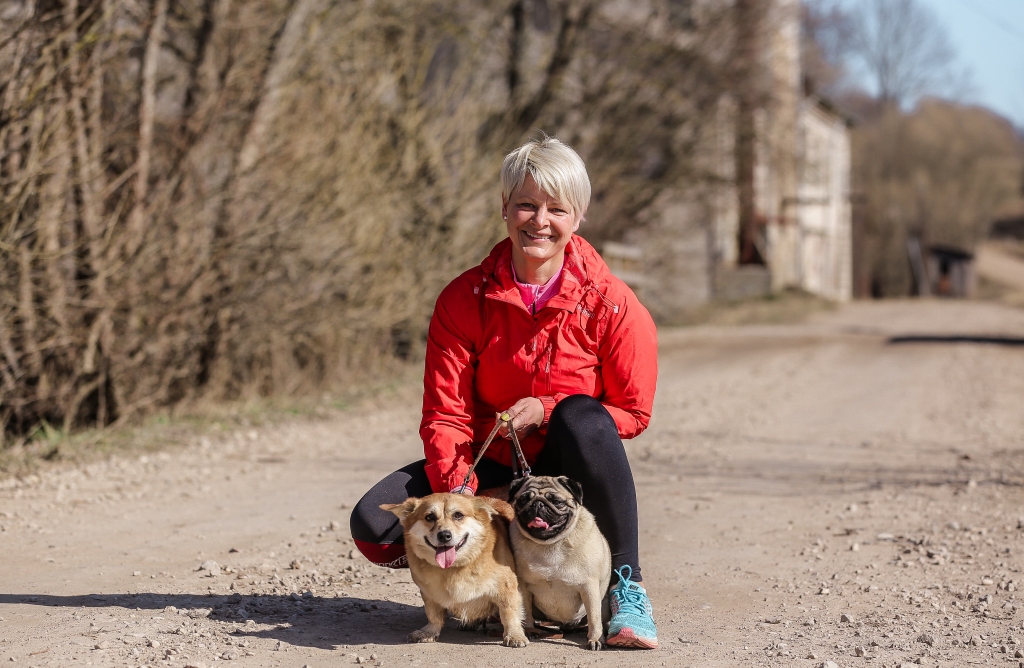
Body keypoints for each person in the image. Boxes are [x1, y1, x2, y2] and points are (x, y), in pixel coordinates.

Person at [350, 135, 660, 649]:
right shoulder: (462, 299)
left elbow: (631, 411)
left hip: (569, 470)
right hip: (488, 462)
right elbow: (445, 415)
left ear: (577, 217)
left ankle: (627, 584)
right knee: (372, 528)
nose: (539, 220)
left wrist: (546, 409)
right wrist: (466, 502)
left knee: (583, 415)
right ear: (504, 208)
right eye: (526, 204)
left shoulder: (614, 303)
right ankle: (487, 582)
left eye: (556, 208)